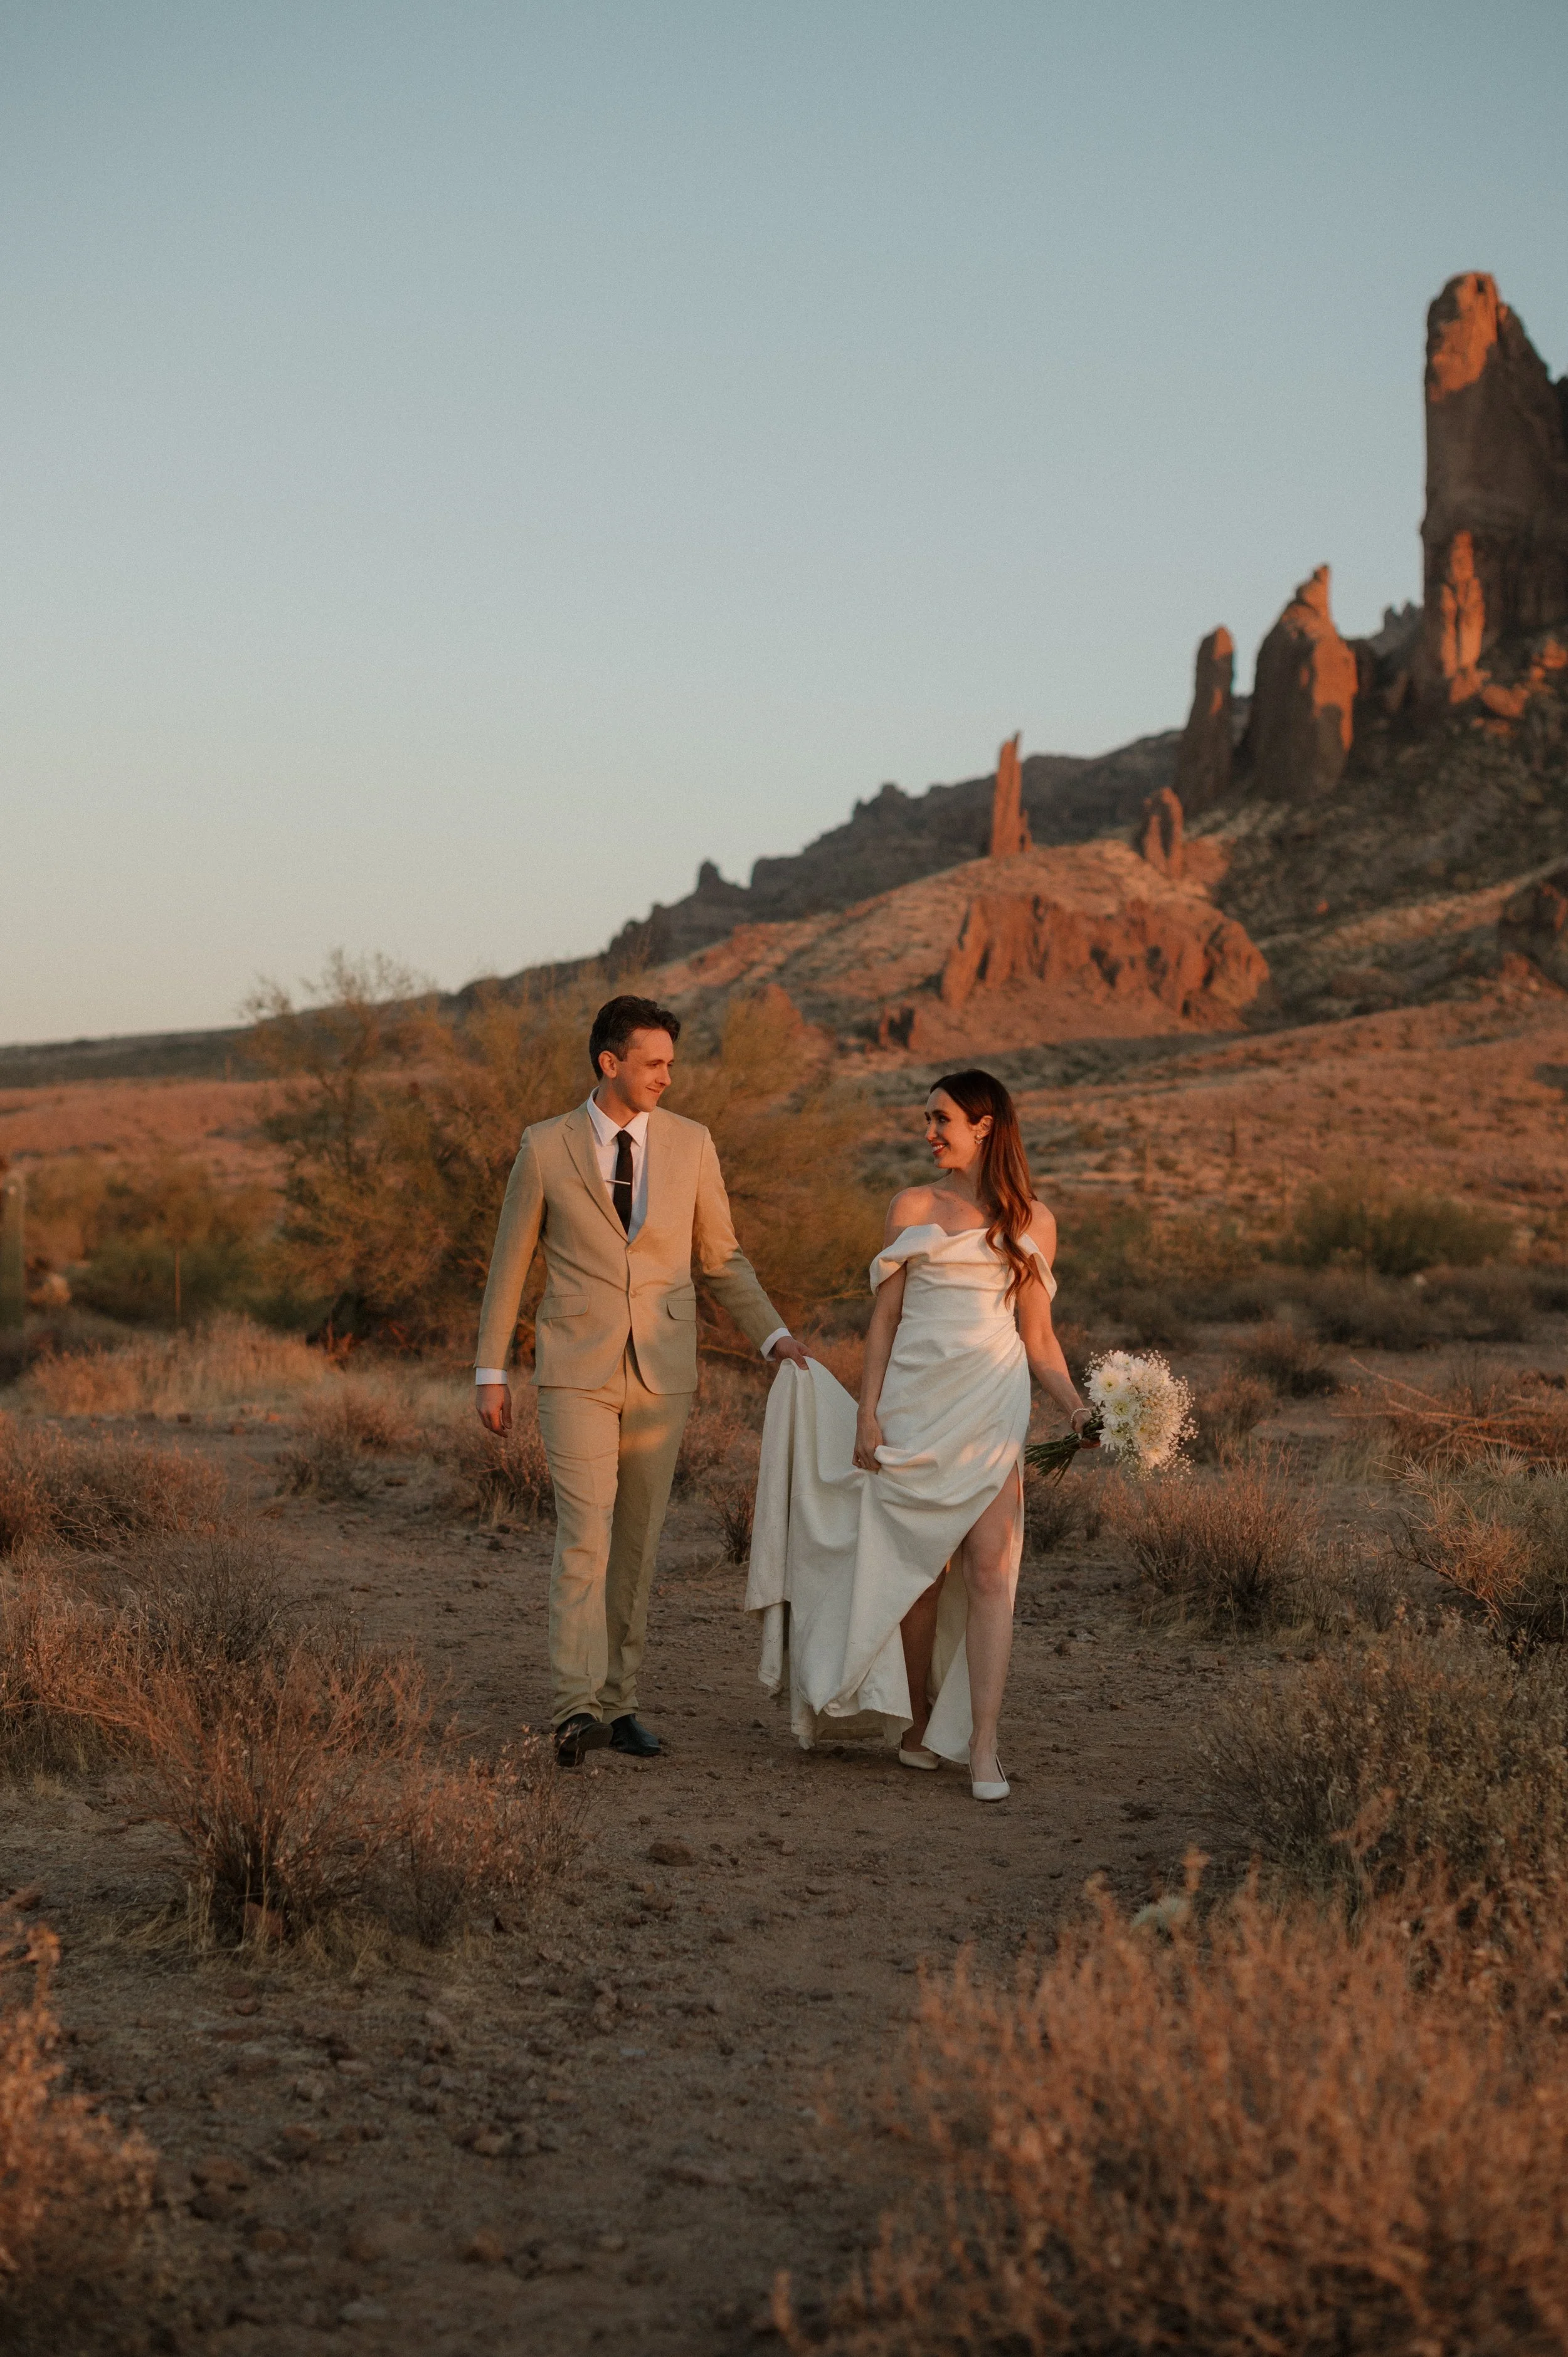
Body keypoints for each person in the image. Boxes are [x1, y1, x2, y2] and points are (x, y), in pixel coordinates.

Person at [475, 994, 808, 1765]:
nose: (668, 1075)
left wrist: (775, 1335)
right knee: (583, 1535)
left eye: (670, 1061)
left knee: (637, 1544)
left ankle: (620, 1704)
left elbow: (721, 1257)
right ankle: (573, 1708)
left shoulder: (693, 1143)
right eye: (654, 1062)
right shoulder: (545, 1145)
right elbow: (509, 1265)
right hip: (574, 1371)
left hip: (663, 1373)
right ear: (610, 1062)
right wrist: (490, 1369)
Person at [746, 1068, 1094, 1801]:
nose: (928, 1132)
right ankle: (913, 1723)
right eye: (926, 1120)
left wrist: (1076, 1407)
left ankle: (984, 1745)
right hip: (911, 1406)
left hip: (990, 1410)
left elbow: (1039, 1340)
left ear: (985, 1124)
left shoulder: (1034, 1220)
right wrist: (867, 1411)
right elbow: (885, 1321)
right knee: (918, 1578)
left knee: (992, 1569)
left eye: (941, 1118)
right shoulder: (909, 1206)